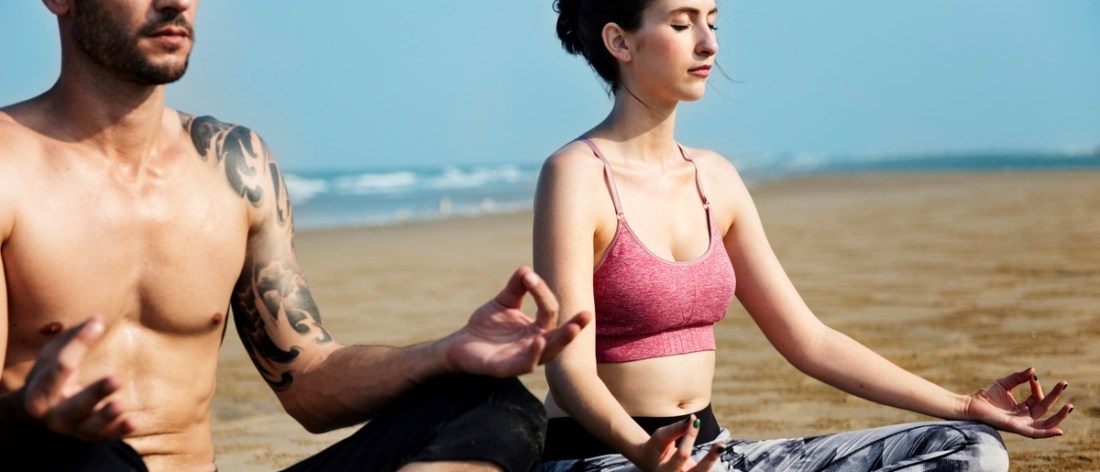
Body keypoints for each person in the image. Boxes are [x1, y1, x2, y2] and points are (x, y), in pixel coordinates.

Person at [0, 0, 592, 471]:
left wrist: (447, 353)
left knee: (493, 405)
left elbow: (306, 383)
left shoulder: (235, 164)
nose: (175, 3)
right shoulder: (9, 166)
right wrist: (32, 416)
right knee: (81, 453)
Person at [533, 0, 1073, 471]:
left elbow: (808, 340)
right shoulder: (576, 176)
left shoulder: (714, 178)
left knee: (973, 448)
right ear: (619, 41)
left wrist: (962, 404)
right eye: (681, 24)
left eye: (713, 21)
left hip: (715, 452)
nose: (708, 43)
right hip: (604, 457)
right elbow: (569, 368)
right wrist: (644, 452)